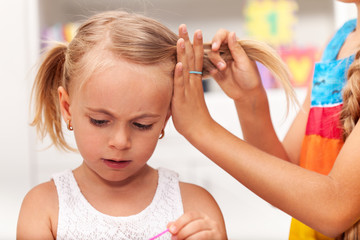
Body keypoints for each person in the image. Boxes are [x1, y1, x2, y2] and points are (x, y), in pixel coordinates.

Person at [16, 11, 228, 240]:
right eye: (100, 121)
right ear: (67, 109)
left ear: (165, 120)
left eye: (141, 124)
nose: (120, 141)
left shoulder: (194, 206)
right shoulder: (43, 209)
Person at [171, 1, 360, 239]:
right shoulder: (337, 43)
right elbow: (291, 183)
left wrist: (202, 129)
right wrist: (250, 100)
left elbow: (334, 208)